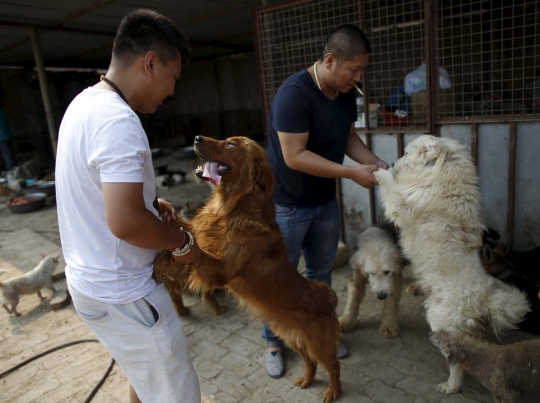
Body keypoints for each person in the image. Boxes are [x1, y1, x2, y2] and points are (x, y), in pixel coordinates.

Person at [56, 9, 202, 403]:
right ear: (151, 63)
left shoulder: (83, 105)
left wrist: (149, 203)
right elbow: (124, 222)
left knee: (144, 376)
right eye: (173, 79)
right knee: (176, 394)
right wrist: (182, 243)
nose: (171, 92)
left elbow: (98, 191)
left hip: (89, 284)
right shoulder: (118, 121)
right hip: (126, 294)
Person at [263, 24, 389, 379]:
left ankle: (322, 336)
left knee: (320, 276)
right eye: (354, 70)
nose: (359, 77)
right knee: (281, 278)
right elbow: (295, 156)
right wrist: (351, 174)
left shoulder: (346, 92)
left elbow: (349, 137)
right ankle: (274, 340)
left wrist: (373, 161)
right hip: (288, 204)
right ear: (330, 60)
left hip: (324, 202)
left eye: (362, 69)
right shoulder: (294, 95)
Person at [0, 104, 16, 173]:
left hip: (1, 138)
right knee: (11, 155)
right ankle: (14, 170)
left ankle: (11, 172)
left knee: (7, 156)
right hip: (8, 136)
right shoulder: (3, 113)